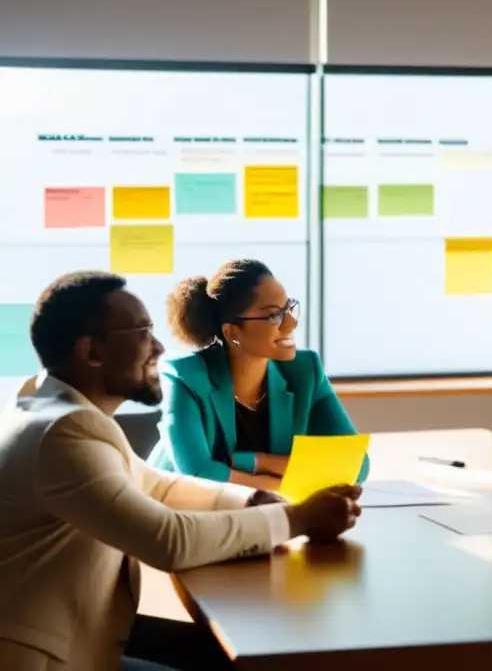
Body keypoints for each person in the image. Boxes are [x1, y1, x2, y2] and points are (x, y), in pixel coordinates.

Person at [0, 271, 363, 671]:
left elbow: (159, 486)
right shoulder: (63, 433)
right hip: (47, 659)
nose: (157, 346)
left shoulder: (56, 410)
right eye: (143, 332)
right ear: (92, 352)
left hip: (81, 638)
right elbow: (168, 540)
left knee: (224, 654)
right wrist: (295, 519)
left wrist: (254, 499)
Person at [147, 259, 369, 489]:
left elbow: (357, 464)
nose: (291, 323)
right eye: (274, 315)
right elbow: (199, 474)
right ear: (232, 332)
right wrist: (286, 485)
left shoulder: (305, 371)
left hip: (260, 516)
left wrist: (254, 462)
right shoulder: (184, 375)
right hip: (175, 513)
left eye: (289, 308)